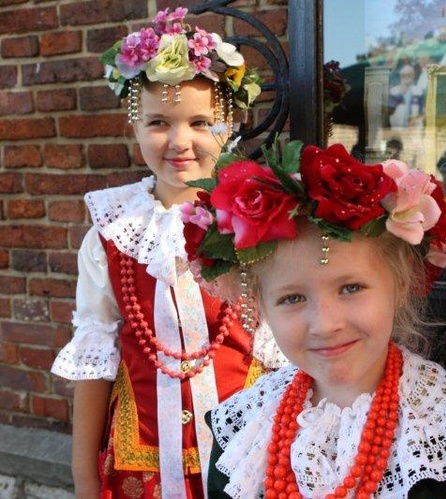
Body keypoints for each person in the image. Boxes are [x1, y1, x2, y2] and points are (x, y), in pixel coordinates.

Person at [49, 7, 283, 498]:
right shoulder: (113, 233)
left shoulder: (260, 220)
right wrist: (83, 474)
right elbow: (96, 358)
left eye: (200, 121)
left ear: (230, 125)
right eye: (158, 122)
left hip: (252, 458)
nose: (179, 141)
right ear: (133, 126)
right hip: (142, 466)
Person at [202, 144, 446, 497]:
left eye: (350, 288)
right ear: (260, 305)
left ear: (402, 283)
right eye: (293, 298)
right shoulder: (244, 433)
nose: (325, 324)